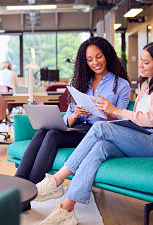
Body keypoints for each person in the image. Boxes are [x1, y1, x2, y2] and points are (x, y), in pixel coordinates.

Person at [36, 41, 153, 225]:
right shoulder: (148, 85)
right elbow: (137, 120)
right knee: (100, 147)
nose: (140, 65)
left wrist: (114, 111)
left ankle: (57, 179)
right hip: (142, 138)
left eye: (146, 62)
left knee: (100, 127)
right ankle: (67, 209)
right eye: (141, 60)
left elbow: (150, 119)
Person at [15, 36, 131, 190]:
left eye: (99, 56)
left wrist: (107, 111)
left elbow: (120, 120)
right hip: (78, 128)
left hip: (97, 132)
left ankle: (32, 189)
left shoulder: (121, 85)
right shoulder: (81, 81)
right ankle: (17, 185)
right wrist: (75, 114)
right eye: (90, 59)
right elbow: (67, 119)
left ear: (107, 55)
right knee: (41, 132)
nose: (95, 62)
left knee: (53, 135)